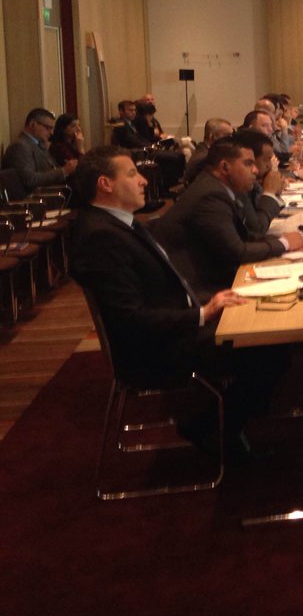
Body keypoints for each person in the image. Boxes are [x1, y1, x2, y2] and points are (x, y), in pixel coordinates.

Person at [68, 146, 276, 460]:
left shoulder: (115, 223)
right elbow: (130, 319)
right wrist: (202, 313)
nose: (142, 180)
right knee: (266, 345)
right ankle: (208, 427)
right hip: (154, 351)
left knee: (259, 317)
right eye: (131, 174)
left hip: (172, 324)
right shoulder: (101, 237)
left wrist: (206, 305)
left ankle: (238, 411)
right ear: (105, 184)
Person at [151, 137, 303, 301]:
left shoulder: (217, 187)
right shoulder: (211, 196)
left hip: (212, 277)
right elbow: (237, 252)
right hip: (197, 292)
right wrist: (284, 243)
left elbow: (244, 235)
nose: (255, 170)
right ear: (225, 167)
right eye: (248, 164)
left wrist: (281, 240)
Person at [2, 108, 78, 198]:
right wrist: (63, 171)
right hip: (37, 199)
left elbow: (51, 168)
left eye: (52, 129)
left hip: (51, 193)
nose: (51, 133)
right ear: (33, 124)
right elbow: (30, 180)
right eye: (48, 128)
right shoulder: (20, 146)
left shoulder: (38, 144)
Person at [229, 129, 285, 239]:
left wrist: (274, 192)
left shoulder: (255, 182)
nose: (269, 165)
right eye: (267, 159)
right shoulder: (238, 186)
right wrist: (269, 193)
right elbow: (256, 229)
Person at [184, 117, 234, 185]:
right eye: (228, 136)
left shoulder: (204, 152)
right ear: (212, 137)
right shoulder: (204, 160)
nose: (232, 140)